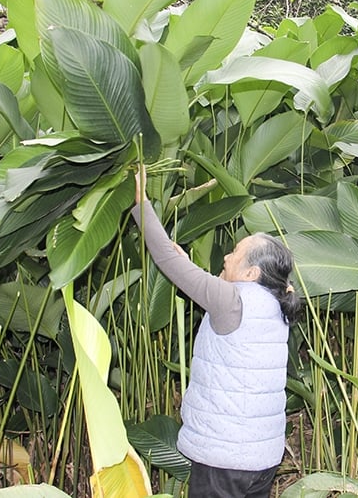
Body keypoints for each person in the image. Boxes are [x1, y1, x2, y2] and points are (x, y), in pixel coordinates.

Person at [131, 165, 300, 498]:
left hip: (226, 461)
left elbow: (164, 257)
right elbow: (206, 286)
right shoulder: (274, 304)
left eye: (235, 253)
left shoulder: (231, 301)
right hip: (262, 460)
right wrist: (186, 266)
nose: (226, 255)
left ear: (251, 273)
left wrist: (140, 199)